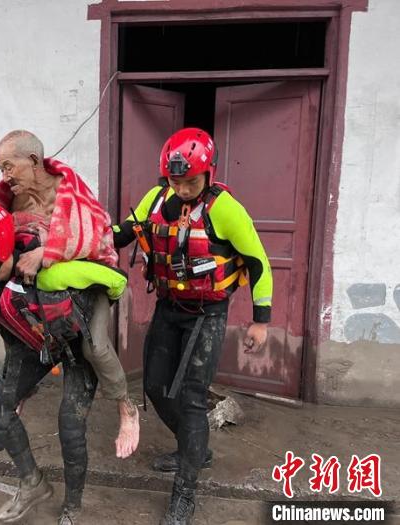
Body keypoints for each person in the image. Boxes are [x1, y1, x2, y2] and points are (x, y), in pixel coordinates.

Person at [112, 128, 273, 525]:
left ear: (208, 173)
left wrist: (261, 320)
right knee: (154, 386)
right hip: (169, 307)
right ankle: (195, 449)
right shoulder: (156, 198)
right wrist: (81, 239)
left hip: (208, 313)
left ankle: (184, 493)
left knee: (192, 398)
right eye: (175, 181)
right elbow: (122, 233)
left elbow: (258, 263)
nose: (182, 189)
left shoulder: (225, 209)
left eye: (191, 182)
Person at [0, 202, 125, 525]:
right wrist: (19, 389)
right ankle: (33, 483)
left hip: (77, 346)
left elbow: (115, 278)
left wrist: (103, 313)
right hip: (38, 346)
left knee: (70, 427)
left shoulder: (50, 274)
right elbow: (9, 328)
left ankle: (72, 506)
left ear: (1, 245)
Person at [0, 129, 140, 460]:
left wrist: (47, 253)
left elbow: (94, 236)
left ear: (33, 160)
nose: (4, 176)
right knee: (15, 328)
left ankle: (126, 406)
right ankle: (22, 390)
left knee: (94, 346)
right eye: (0, 169)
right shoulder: (9, 200)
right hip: (41, 289)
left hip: (88, 282)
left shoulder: (69, 189)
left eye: (8, 166)